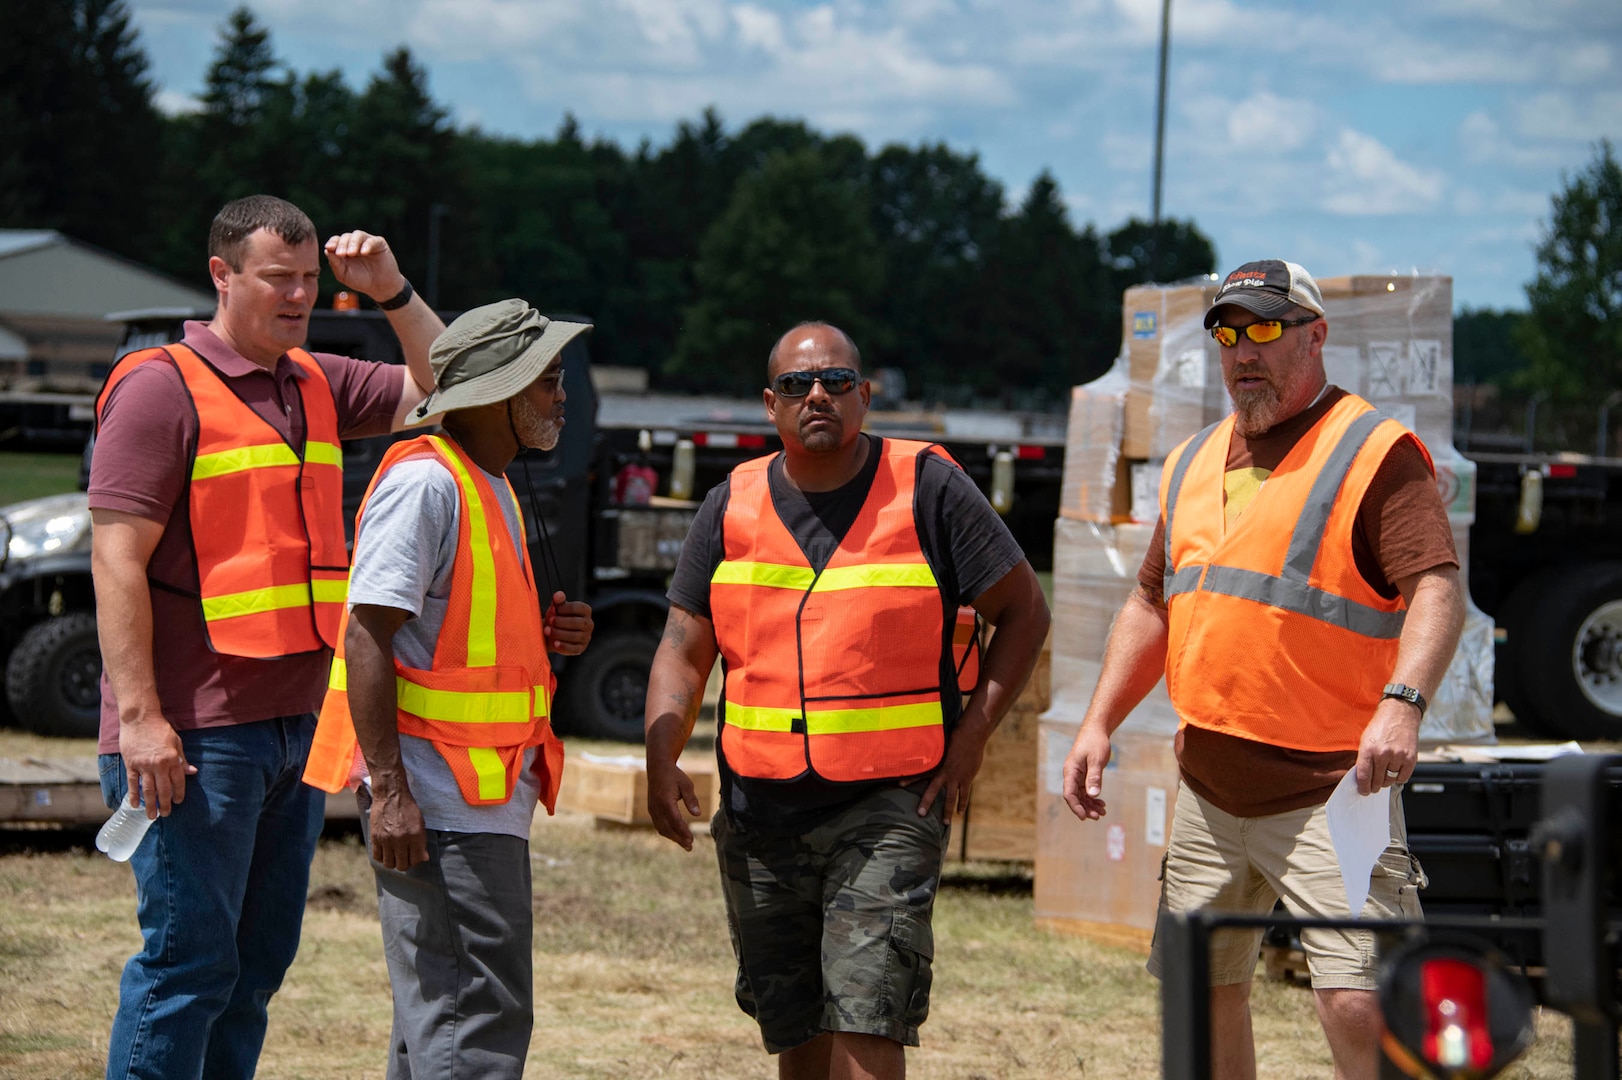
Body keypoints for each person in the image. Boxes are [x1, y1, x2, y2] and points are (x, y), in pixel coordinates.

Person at [1060, 260, 1465, 1080]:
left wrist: (1404, 703)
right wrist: (1097, 720)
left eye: (1267, 330)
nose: (1246, 350)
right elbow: (1150, 603)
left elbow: (1437, 587)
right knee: (1200, 995)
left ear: (1315, 335)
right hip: (1210, 784)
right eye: (1229, 333)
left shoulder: (1374, 451)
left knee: (1360, 998)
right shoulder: (1193, 460)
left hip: (1332, 790)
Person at [89, 193, 446, 1080]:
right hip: (195, 736)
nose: (298, 299)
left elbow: (449, 383)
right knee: (189, 968)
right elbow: (115, 562)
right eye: (276, 280)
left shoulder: (317, 380)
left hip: (296, 730)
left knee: (252, 974)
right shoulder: (158, 388)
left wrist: (393, 290)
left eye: (309, 283)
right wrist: (140, 721)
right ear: (222, 274)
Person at [645, 322, 1051, 1080]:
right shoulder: (728, 504)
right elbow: (682, 642)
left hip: (890, 805)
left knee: (869, 1018)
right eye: (798, 386)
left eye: (836, 380)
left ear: (865, 395)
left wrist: (972, 739)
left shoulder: (930, 487)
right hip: (758, 809)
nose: (818, 396)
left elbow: (1025, 612)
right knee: (794, 1031)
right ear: (771, 406)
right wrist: (660, 756)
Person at [300, 299, 594, 1079]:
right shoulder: (428, 484)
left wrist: (552, 637)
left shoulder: (483, 480)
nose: (563, 396)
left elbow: (459, 640)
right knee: (476, 1019)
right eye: (549, 380)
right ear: (500, 389)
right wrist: (392, 791)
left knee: (443, 1016)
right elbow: (365, 635)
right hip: (439, 802)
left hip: (476, 795)